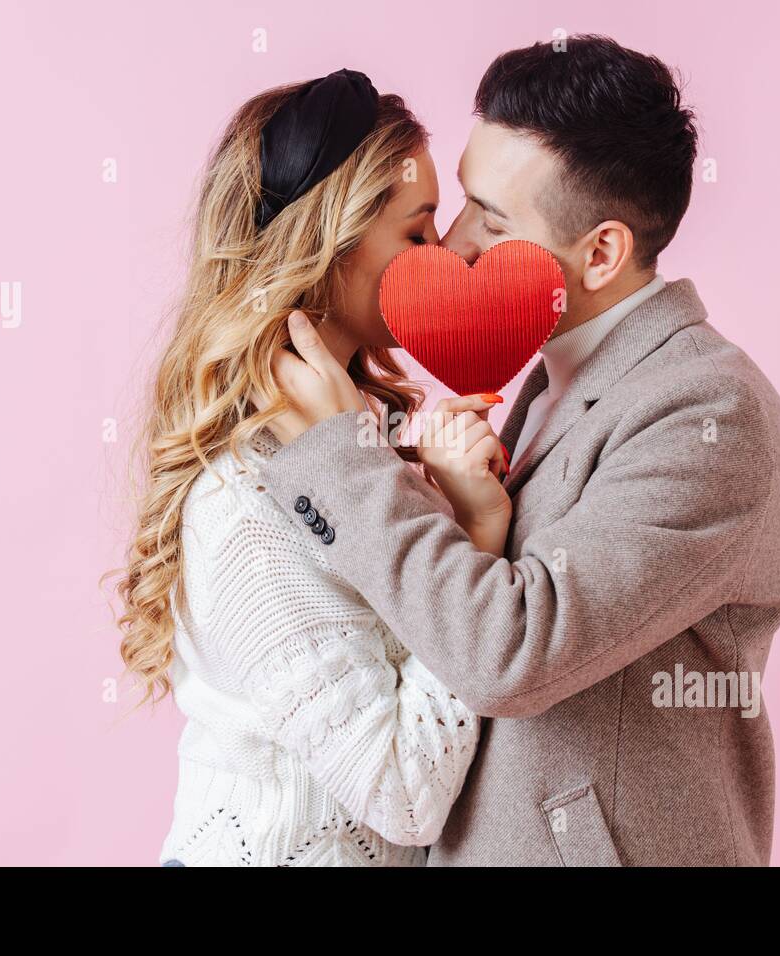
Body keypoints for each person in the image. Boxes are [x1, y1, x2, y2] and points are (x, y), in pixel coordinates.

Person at [259, 37, 780, 866]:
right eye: (465, 200)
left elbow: (510, 654)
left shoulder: (709, 414)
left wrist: (344, 458)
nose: (451, 240)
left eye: (493, 216)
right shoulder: (554, 382)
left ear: (601, 253)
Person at [112, 70, 496, 866]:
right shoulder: (247, 507)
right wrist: (476, 537)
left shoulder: (355, 443)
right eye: (418, 233)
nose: (445, 256)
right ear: (332, 245)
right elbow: (404, 791)